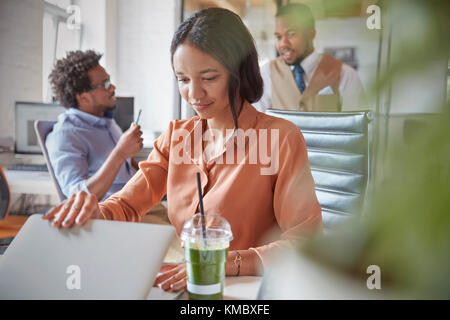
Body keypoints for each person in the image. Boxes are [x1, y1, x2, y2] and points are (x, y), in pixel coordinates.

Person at [43, 8, 322, 293]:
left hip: (256, 287)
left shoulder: (280, 138)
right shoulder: (177, 136)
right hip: (192, 282)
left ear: (239, 73)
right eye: (183, 79)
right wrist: (94, 213)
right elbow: (127, 205)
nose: (194, 94)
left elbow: (305, 241)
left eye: (209, 77)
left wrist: (227, 261)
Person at [46, 50, 143, 201]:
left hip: (141, 202)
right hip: (113, 214)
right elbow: (78, 197)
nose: (112, 87)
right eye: (104, 84)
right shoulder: (65, 135)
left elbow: (126, 169)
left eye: (109, 81)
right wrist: (120, 153)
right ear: (83, 97)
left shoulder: (106, 122)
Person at [253, 3, 367, 113]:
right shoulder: (266, 73)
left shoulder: (346, 74)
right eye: (278, 37)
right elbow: (257, 122)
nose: (283, 44)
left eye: (291, 34)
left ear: (311, 34)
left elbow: (357, 127)